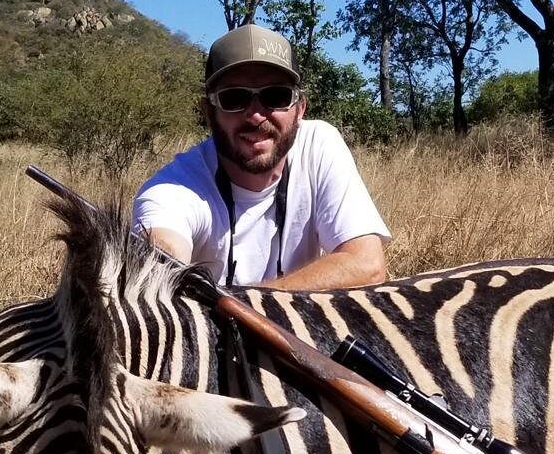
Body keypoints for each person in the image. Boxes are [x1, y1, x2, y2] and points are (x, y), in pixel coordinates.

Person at [133, 23, 390, 290]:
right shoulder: (173, 189)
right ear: (208, 112)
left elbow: (367, 265)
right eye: (234, 98)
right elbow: (158, 266)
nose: (256, 115)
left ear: (300, 109)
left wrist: (252, 302)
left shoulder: (319, 145)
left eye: (275, 96)